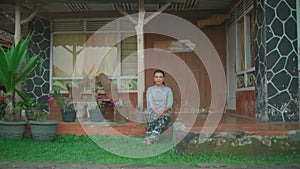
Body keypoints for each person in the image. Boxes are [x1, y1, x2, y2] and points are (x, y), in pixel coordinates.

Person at [143, 69, 173, 145]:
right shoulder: (150, 90)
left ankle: (150, 140)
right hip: (153, 113)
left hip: (164, 114)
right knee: (151, 120)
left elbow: (169, 104)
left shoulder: (168, 90)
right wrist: (157, 113)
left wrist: (162, 112)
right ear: (154, 78)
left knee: (161, 122)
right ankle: (150, 138)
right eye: (156, 77)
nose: (158, 79)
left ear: (163, 79)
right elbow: (150, 104)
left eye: (160, 77)